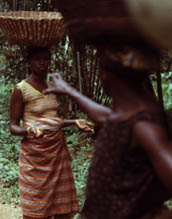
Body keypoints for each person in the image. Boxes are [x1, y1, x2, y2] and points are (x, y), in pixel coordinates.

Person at [44, 43, 172, 219]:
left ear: (106, 75)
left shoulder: (143, 125)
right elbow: (106, 117)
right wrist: (69, 91)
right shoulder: (125, 116)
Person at [9, 46, 94, 219]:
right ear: (29, 62)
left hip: (56, 153)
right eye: (37, 59)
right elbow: (12, 126)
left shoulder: (53, 87)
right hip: (35, 155)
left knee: (61, 204)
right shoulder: (20, 89)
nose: (42, 63)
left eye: (46, 59)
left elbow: (53, 120)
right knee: (36, 205)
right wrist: (28, 130)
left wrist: (74, 122)